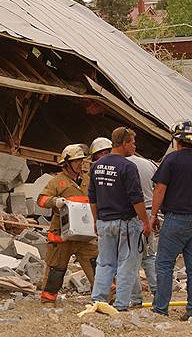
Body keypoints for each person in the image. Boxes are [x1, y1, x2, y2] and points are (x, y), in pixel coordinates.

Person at [150, 120, 192, 321]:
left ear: (176, 140)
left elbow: (160, 189)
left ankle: (161, 308)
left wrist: (153, 215)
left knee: (164, 264)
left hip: (175, 218)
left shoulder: (170, 161)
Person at [89, 127, 151, 311]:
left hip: (104, 221)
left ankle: (97, 301)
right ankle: (122, 304)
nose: (134, 145)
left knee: (104, 263)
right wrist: (145, 222)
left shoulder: (96, 166)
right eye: (132, 142)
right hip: (125, 223)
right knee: (127, 264)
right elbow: (136, 198)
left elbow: (92, 197)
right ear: (124, 143)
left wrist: (95, 220)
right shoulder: (127, 166)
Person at [37, 144, 99, 303]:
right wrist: (55, 201)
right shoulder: (57, 182)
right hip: (62, 236)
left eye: (81, 160)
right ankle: (48, 300)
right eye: (77, 161)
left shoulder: (87, 180)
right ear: (66, 163)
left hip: (84, 234)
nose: (80, 164)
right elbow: (41, 200)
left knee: (96, 265)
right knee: (56, 270)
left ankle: (104, 297)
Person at [127, 151, 159, 302]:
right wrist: (154, 214)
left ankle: (135, 298)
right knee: (149, 256)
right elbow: (158, 188)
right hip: (148, 212)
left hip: (131, 214)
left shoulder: (122, 165)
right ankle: (158, 293)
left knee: (130, 258)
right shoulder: (148, 164)